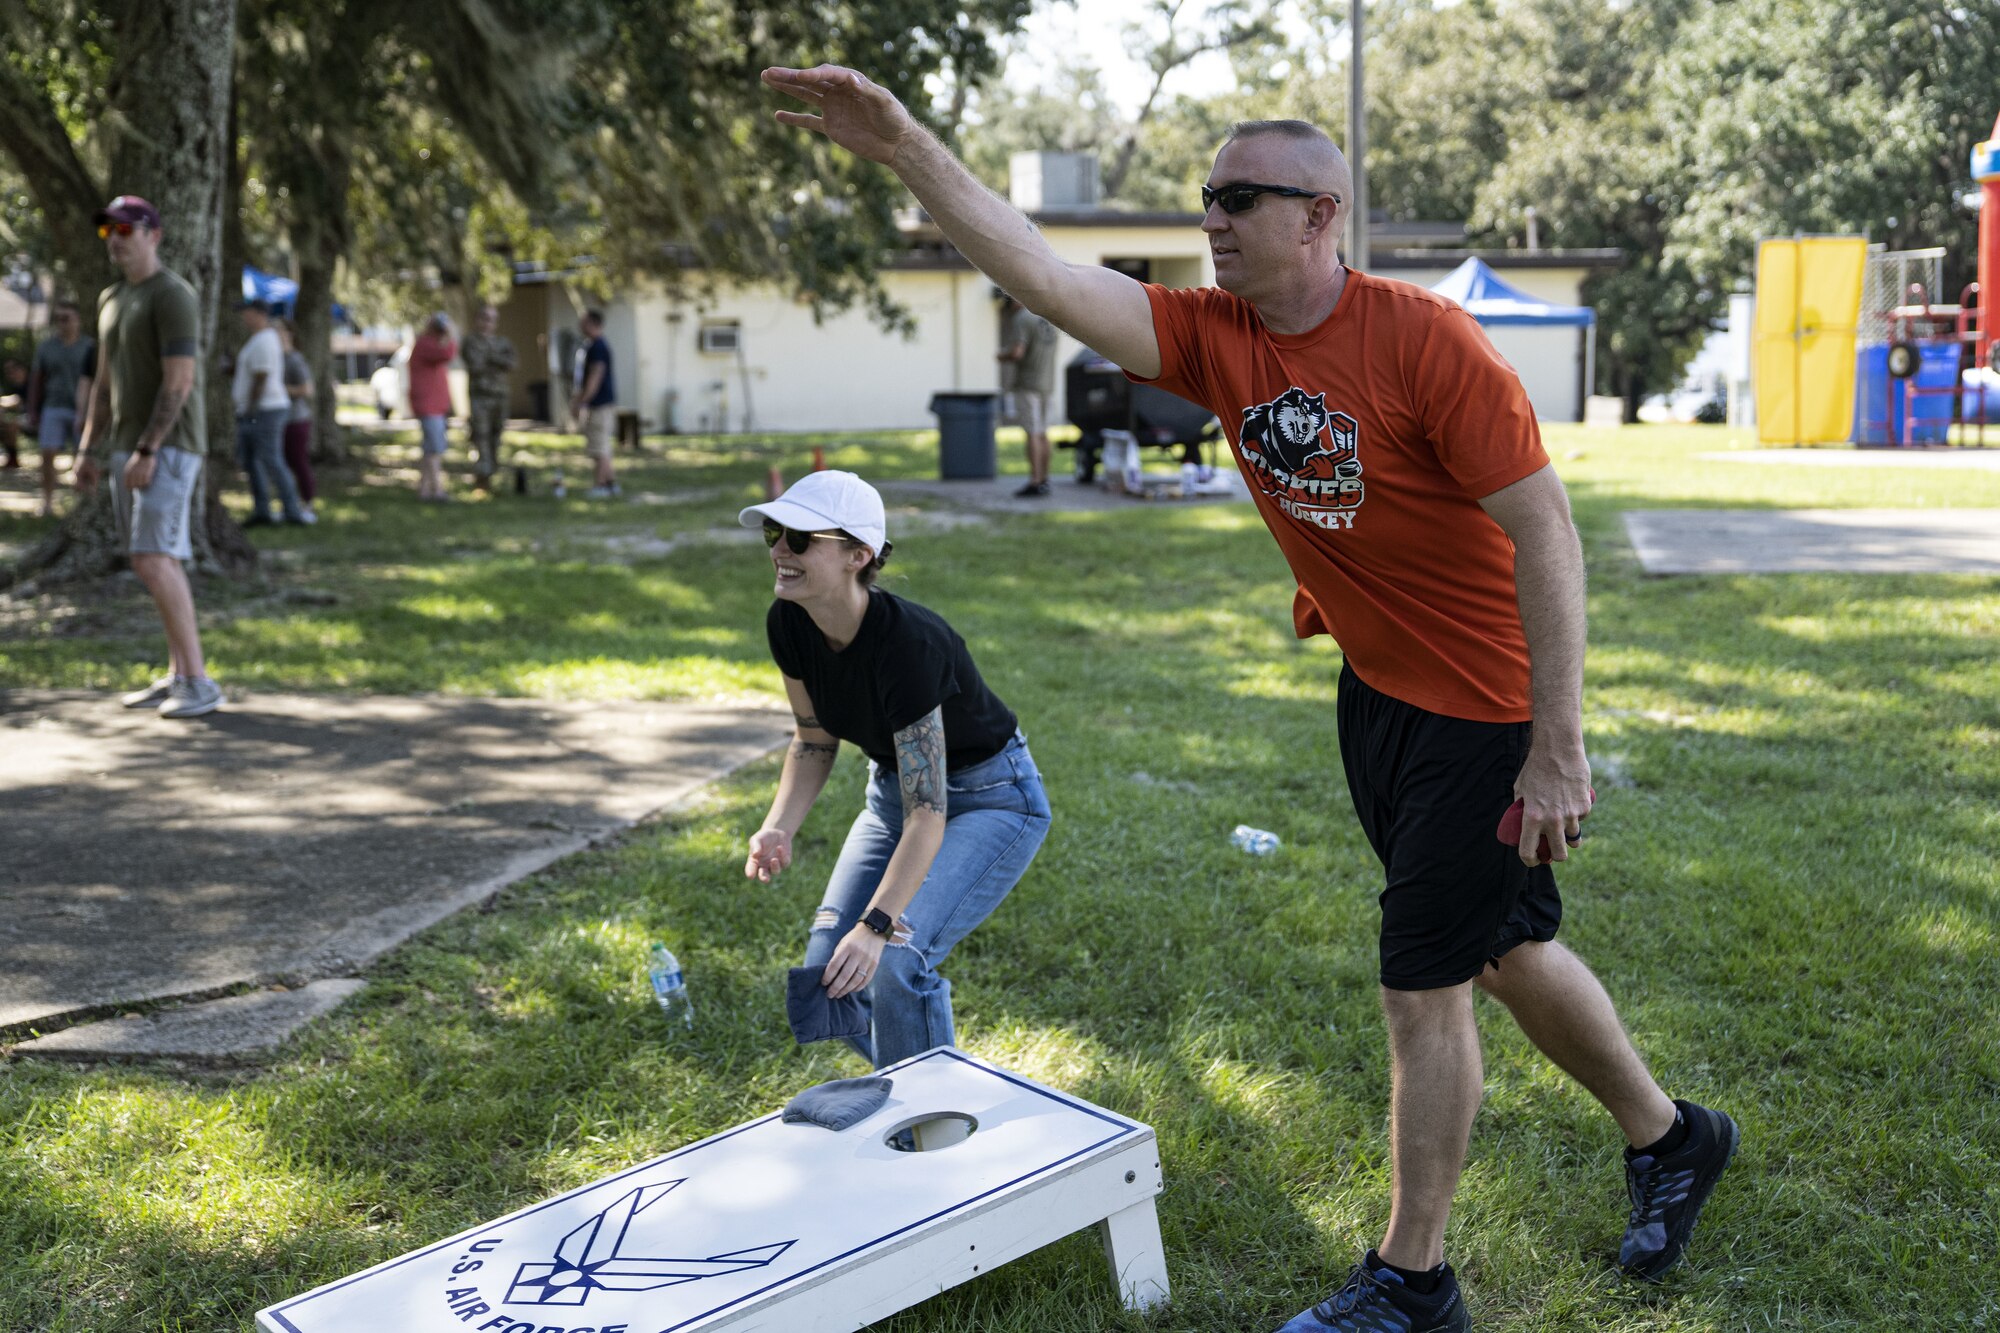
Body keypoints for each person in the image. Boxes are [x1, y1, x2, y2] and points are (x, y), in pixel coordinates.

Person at [764, 67, 1737, 1331]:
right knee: (1498, 947)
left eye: (1238, 197)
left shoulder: (1424, 340)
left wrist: (1556, 744)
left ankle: (1410, 1281)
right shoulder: (1218, 338)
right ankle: (1672, 1137)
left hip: (1487, 713)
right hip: (1378, 694)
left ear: (1318, 214)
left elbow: (1544, 529)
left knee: (1420, 978)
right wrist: (905, 149)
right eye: (1204, 196)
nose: (1212, 217)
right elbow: (1045, 276)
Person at [740, 469, 1051, 1071]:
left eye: (800, 539)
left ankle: (929, 1126)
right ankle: (924, 1094)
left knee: (895, 960)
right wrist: (780, 824)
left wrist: (877, 925)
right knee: (830, 968)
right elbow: (812, 740)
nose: (779, 549)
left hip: (991, 799)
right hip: (893, 800)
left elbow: (929, 815)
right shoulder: (789, 623)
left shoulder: (909, 646)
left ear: (858, 555)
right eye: (775, 533)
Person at [76, 194, 223, 718]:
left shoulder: (173, 295)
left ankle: (200, 682)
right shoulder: (111, 299)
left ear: (153, 234)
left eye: (125, 230)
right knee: (155, 561)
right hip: (124, 448)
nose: (115, 240)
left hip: (167, 448)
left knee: (152, 559)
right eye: (107, 232)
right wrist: (89, 448)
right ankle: (179, 674)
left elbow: (180, 382)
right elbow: (105, 383)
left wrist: (148, 448)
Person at [233, 300, 311, 526]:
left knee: (272, 459)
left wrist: (251, 406)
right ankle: (263, 510)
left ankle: (292, 511)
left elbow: (262, 375)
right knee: (252, 461)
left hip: (265, 409)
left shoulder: (265, 340)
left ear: (258, 314)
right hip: (259, 408)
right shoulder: (259, 339)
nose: (243, 318)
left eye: (245, 312)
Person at [24, 299, 95, 517]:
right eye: (58, 319)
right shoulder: (46, 347)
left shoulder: (89, 347)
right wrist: (32, 410)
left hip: (82, 410)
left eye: (66, 318)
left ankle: (84, 504)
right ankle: (47, 501)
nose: (62, 323)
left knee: (83, 455)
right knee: (47, 453)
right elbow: (37, 379)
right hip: (53, 406)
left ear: (78, 320)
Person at [997, 293, 1058, 497]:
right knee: (1043, 433)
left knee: (1032, 432)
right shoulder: (1048, 320)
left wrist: (1001, 355)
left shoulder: (1022, 318)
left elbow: (1017, 352)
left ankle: (1034, 481)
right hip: (1047, 385)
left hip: (1028, 384)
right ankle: (1045, 479)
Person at [461, 302, 516, 490]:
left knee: (496, 435)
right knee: (480, 435)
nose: (488, 323)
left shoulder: (502, 342)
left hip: (500, 396)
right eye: (484, 318)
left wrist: (491, 359)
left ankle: (491, 473)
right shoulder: (471, 341)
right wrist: (497, 361)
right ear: (478, 319)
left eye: (492, 319)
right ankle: (482, 479)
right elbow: (475, 365)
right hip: (480, 397)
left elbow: (512, 364)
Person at [568, 309, 618, 498]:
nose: (580, 325)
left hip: (599, 405)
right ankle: (611, 483)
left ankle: (600, 485)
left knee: (598, 447)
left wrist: (582, 401)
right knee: (602, 444)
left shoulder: (597, 347)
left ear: (593, 324)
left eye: (584, 322)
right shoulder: (596, 345)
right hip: (603, 404)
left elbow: (595, 377)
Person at [408, 313, 457, 502]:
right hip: (429, 407)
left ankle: (424, 490)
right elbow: (448, 353)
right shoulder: (425, 345)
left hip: (435, 405)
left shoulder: (429, 344)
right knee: (435, 449)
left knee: (430, 449)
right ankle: (437, 490)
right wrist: (451, 334)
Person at [275, 318, 316, 508]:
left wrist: (278, 389)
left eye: (279, 331)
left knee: (298, 462)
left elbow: (307, 389)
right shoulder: (275, 358)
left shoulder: (294, 359)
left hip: (296, 420)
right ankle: (289, 502)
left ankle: (307, 502)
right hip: (279, 419)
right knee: (282, 463)